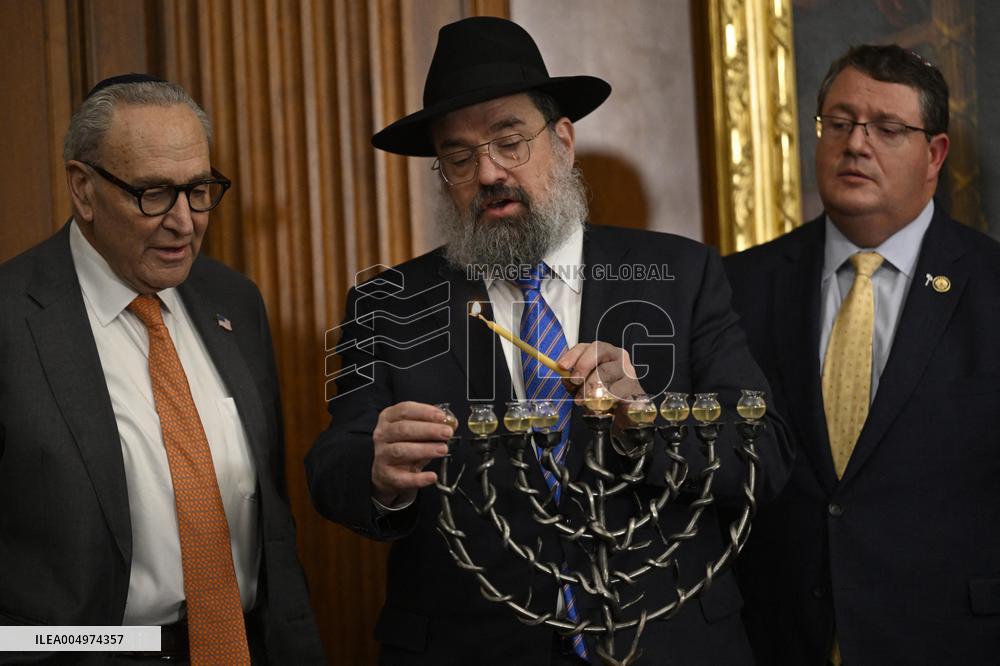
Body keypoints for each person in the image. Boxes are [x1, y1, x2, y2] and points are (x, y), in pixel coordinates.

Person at [308, 17, 792, 665]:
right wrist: (377, 471)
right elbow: (333, 465)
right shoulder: (390, 303)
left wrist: (645, 425)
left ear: (562, 142)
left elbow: (765, 452)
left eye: (510, 141)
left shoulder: (681, 275)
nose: (487, 172)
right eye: (458, 155)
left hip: (668, 642)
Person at [0, 74, 325, 664]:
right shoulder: (9, 322)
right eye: (152, 194)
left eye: (198, 190)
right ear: (83, 188)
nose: (185, 221)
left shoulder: (235, 302)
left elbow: (273, 521)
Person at [724, 44, 1000, 665]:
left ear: (934, 155)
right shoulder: (737, 286)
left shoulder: (991, 287)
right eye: (840, 123)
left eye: (887, 129)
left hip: (953, 640)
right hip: (779, 639)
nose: (856, 144)